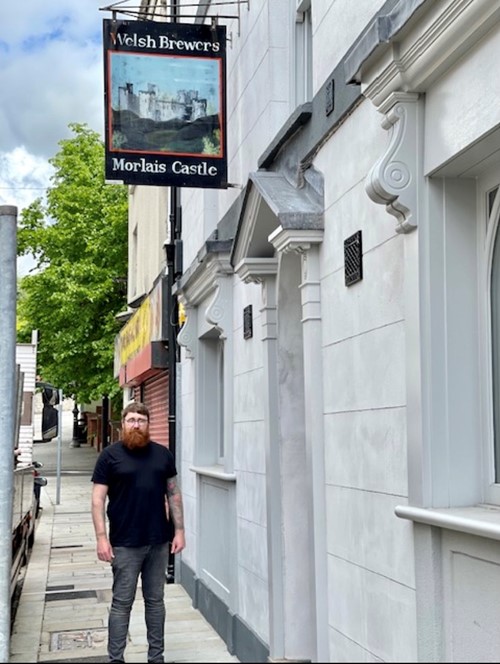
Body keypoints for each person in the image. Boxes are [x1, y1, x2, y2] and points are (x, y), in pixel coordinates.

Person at [91, 402, 185, 663]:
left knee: (156, 602)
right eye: (131, 420)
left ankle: (156, 657)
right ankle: (116, 659)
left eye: (141, 420)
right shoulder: (110, 456)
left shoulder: (162, 455)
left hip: (158, 541)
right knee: (122, 603)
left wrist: (179, 531)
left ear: (148, 424)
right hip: (124, 543)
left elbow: (174, 494)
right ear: (123, 424)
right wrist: (101, 538)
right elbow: (97, 499)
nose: (136, 425)